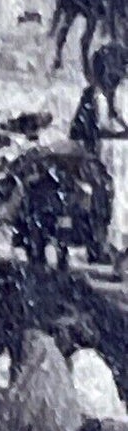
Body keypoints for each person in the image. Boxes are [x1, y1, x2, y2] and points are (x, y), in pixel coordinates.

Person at [74, 43, 128, 279]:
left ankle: (120, 258)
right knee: (105, 202)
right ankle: (105, 251)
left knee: (122, 202)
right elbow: (79, 128)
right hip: (103, 152)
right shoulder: (91, 94)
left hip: (124, 152)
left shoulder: (124, 93)